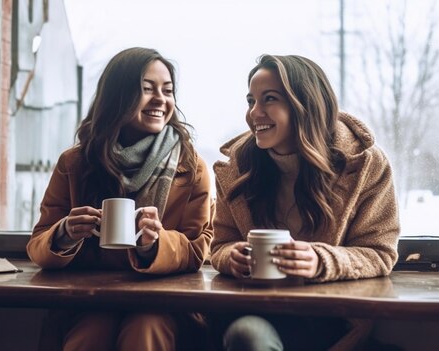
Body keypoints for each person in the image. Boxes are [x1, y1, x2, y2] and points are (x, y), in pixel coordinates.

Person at [26, 47, 214, 351]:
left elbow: (198, 249)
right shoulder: (75, 163)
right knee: (91, 333)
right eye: (146, 89)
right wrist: (64, 234)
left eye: (167, 91)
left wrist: (153, 245)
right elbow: (38, 246)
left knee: (145, 328)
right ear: (117, 96)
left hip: (162, 303)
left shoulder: (190, 166)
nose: (160, 99)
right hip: (90, 299)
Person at [210, 54, 400, 351]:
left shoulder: (364, 164)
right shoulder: (237, 167)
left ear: (305, 105)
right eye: (250, 101)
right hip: (253, 310)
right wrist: (230, 256)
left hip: (328, 317)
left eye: (268, 99)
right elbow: (220, 245)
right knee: (247, 335)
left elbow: (380, 253)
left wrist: (321, 261)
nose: (254, 113)